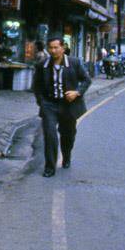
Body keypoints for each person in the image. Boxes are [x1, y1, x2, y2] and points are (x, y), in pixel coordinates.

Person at [32, 35, 92, 177]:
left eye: (56, 47)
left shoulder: (75, 63)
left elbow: (86, 80)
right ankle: (50, 167)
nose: (53, 51)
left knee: (68, 135)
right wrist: (41, 101)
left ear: (63, 48)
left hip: (68, 105)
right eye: (50, 48)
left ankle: (66, 156)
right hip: (49, 105)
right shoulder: (42, 65)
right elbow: (36, 86)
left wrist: (77, 92)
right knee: (50, 135)